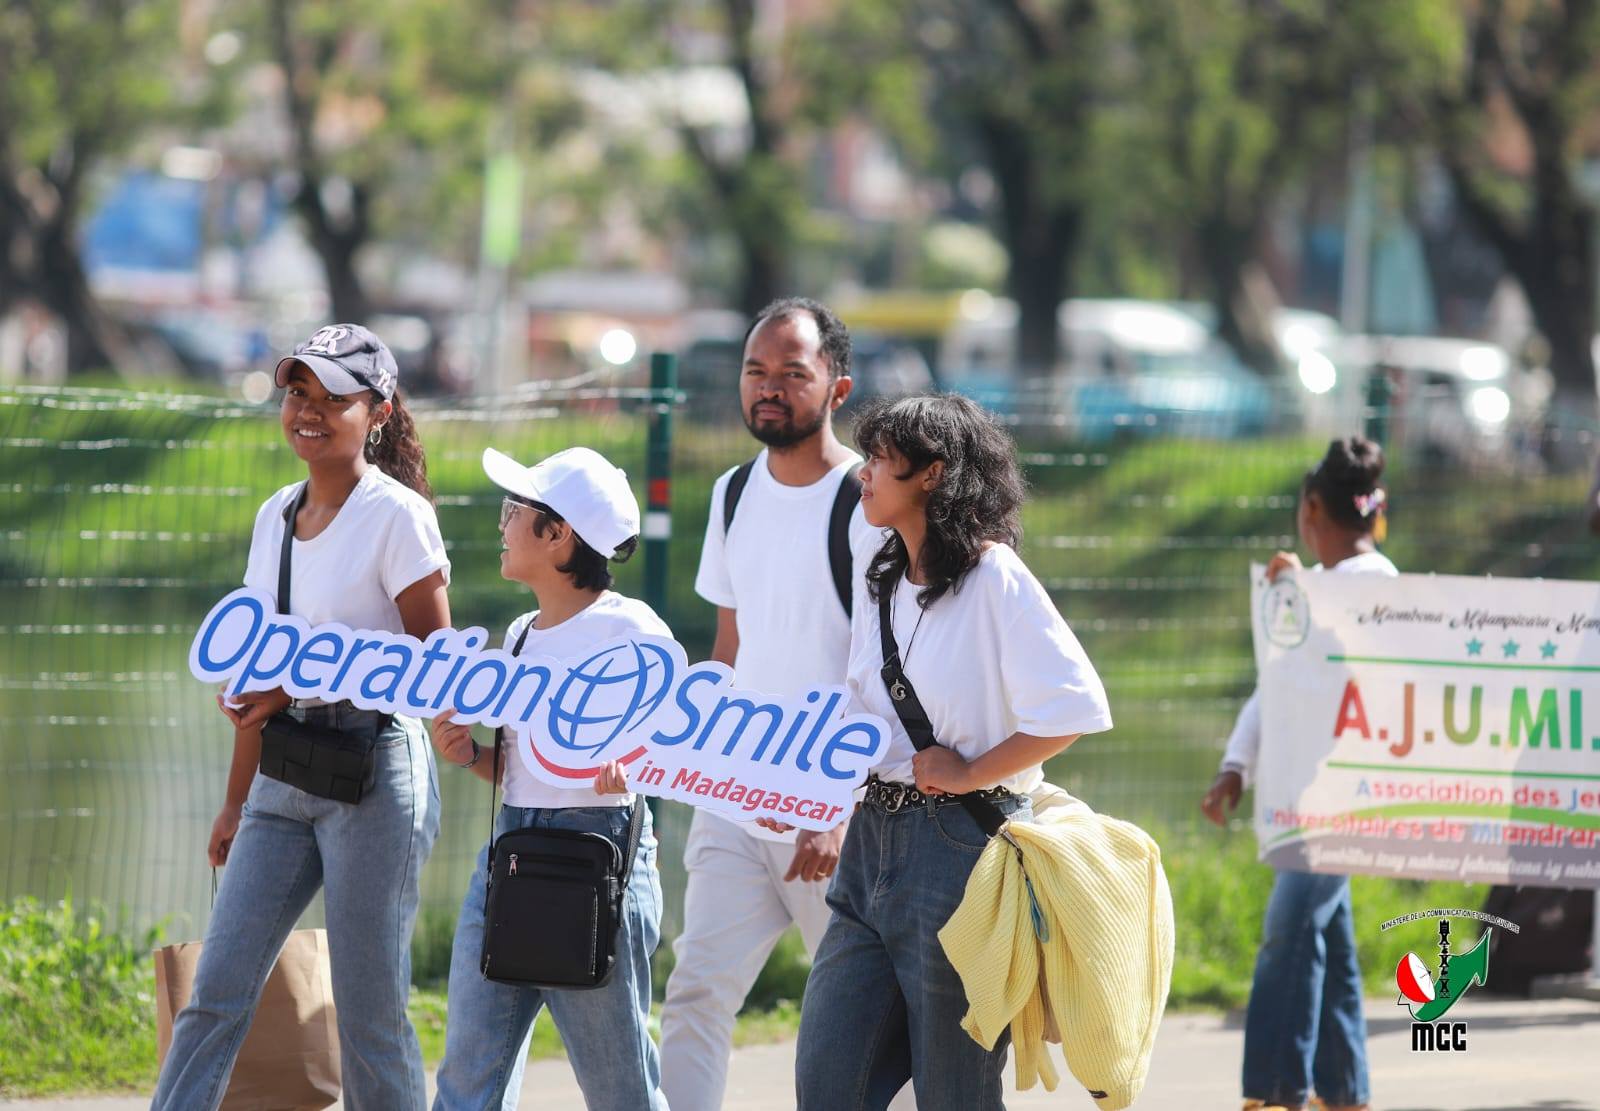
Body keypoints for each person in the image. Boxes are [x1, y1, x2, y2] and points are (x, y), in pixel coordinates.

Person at [153, 324, 451, 1110]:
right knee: (215, 991)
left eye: (332, 397)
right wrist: (235, 799)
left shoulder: (397, 517)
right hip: (284, 777)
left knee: (370, 1014)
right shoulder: (275, 515)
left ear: (377, 412)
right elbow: (261, 671)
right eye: (297, 392)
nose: (308, 411)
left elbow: (433, 666)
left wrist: (291, 687)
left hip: (377, 774)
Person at [792, 394, 1114, 1111]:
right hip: (868, 846)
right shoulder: (881, 575)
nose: (863, 473)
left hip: (960, 855)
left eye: (880, 460)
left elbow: (1075, 706)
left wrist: (969, 771)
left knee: (953, 1094)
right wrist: (808, 787)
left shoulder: (994, 576)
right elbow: (863, 713)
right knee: (827, 1083)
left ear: (932, 473)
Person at [660, 297, 892, 1111]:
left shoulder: (868, 501)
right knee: (696, 989)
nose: (769, 387)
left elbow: (880, 671)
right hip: (737, 794)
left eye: (793, 372)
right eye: (755, 371)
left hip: (834, 809)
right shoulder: (731, 493)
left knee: (866, 1019)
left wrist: (835, 803)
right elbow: (730, 647)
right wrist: (690, 761)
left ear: (837, 387)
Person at [429, 445, 668, 1111]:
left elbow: (679, 748)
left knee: (621, 1091)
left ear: (558, 533)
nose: (501, 523)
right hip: (511, 856)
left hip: (599, 857)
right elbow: (519, 769)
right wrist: (468, 754)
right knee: (466, 1082)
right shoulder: (520, 634)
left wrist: (635, 767)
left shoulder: (632, 630)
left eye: (514, 510)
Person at [1200, 436, 1392, 1111]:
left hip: (1342, 799)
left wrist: (1302, 590)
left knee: (1289, 931)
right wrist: (1235, 765)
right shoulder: (1323, 590)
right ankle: (1345, 1092)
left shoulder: (1369, 584)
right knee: (1326, 940)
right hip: (1311, 797)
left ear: (1311, 508)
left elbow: (1338, 634)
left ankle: (1275, 1092)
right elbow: (1277, 684)